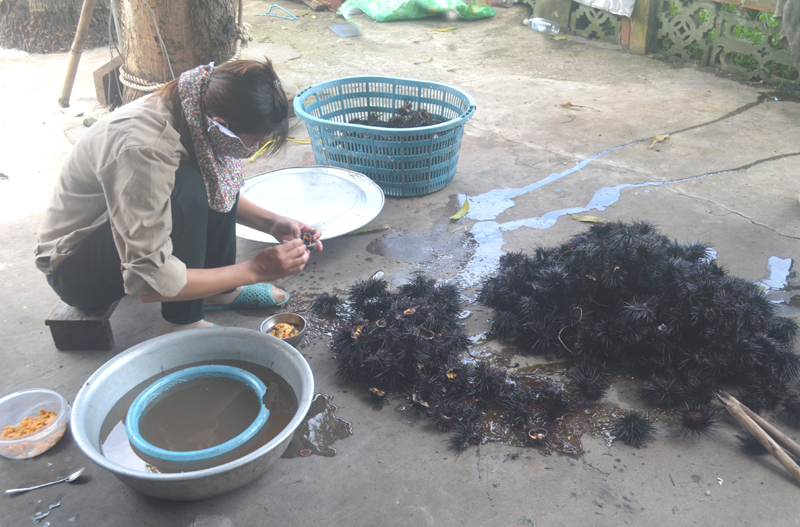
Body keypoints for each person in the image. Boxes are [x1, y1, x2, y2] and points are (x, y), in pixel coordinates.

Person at [35, 59, 322, 335]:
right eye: (255, 141)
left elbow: (222, 187)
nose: (255, 147)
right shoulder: (144, 150)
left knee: (213, 171)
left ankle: (218, 290)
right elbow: (151, 283)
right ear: (221, 123)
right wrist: (256, 270)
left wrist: (272, 223)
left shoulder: (194, 106)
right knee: (189, 187)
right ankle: (182, 323)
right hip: (77, 270)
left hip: (115, 232)